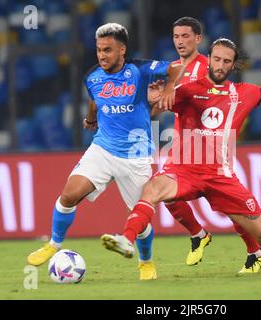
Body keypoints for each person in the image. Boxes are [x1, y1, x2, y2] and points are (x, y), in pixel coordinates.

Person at [101, 38, 261, 275]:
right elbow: (152, 106)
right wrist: (151, 97)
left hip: (220, 177)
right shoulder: (187, 90)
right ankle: (127, 239)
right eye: (216, 59)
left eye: (226, 61)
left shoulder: (246, 92)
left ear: (234, 65)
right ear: (208, 59)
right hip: (183, 169)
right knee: (152, 190)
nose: (220, 65)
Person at [26, 23, 184, 281]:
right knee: (69, 195)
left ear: (122, 50)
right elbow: (94, 99)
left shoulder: (140, 69)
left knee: (139, 217)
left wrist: (168, 89)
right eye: (99, 50)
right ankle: (53, 244)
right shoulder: (92, 76)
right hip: (102, 148)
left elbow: (177, 66)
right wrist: (91, 119)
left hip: (136, 153)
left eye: (108, 50)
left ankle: (146, 262)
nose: (102, 56)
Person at [152, 17, 261, 274]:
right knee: (165, 194)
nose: (180, 41)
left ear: (197, 39)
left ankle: (254, 251)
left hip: (213, 151)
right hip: (183, 149)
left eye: (185, 36)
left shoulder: (209, 65)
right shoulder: (170, 69)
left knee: (231, 209)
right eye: (176, 37)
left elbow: (223, 98)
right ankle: (198, 233)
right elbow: (161, 102)